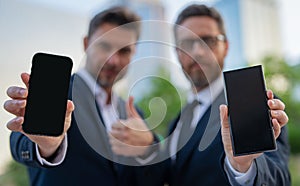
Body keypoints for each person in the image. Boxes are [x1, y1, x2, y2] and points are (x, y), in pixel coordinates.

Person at [110, 4, 291, 186]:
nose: (198, 51)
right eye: (187, 44)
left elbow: (279, 177)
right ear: (177, 53)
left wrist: (243, 167)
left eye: (208, 40)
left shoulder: (254, 104)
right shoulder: (178, 120)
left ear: (225, 46)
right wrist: (147, 146)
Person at [4, 6, 155, 186]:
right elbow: (21, 142)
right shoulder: (55, 92)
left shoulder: (133, 113)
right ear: (86, 43)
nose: (113, 60)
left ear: (134, 53)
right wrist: (48, 146)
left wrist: (148, 147)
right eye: (104, 46)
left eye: (124, 51)